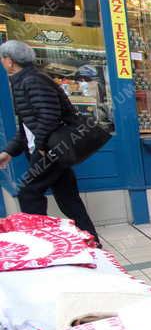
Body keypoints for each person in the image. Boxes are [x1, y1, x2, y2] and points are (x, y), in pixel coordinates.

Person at [0, 40, 99, 243]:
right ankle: (91, 241)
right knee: (68, 198)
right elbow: (28, 126)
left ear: (10, 61)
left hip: (50, 150)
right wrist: (9, 152)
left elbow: (49, 117)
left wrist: (42, 147)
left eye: (2, 59)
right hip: (52, 148)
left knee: (29, 192)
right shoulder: (25, 80)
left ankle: (40, 241)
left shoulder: (32, 81)